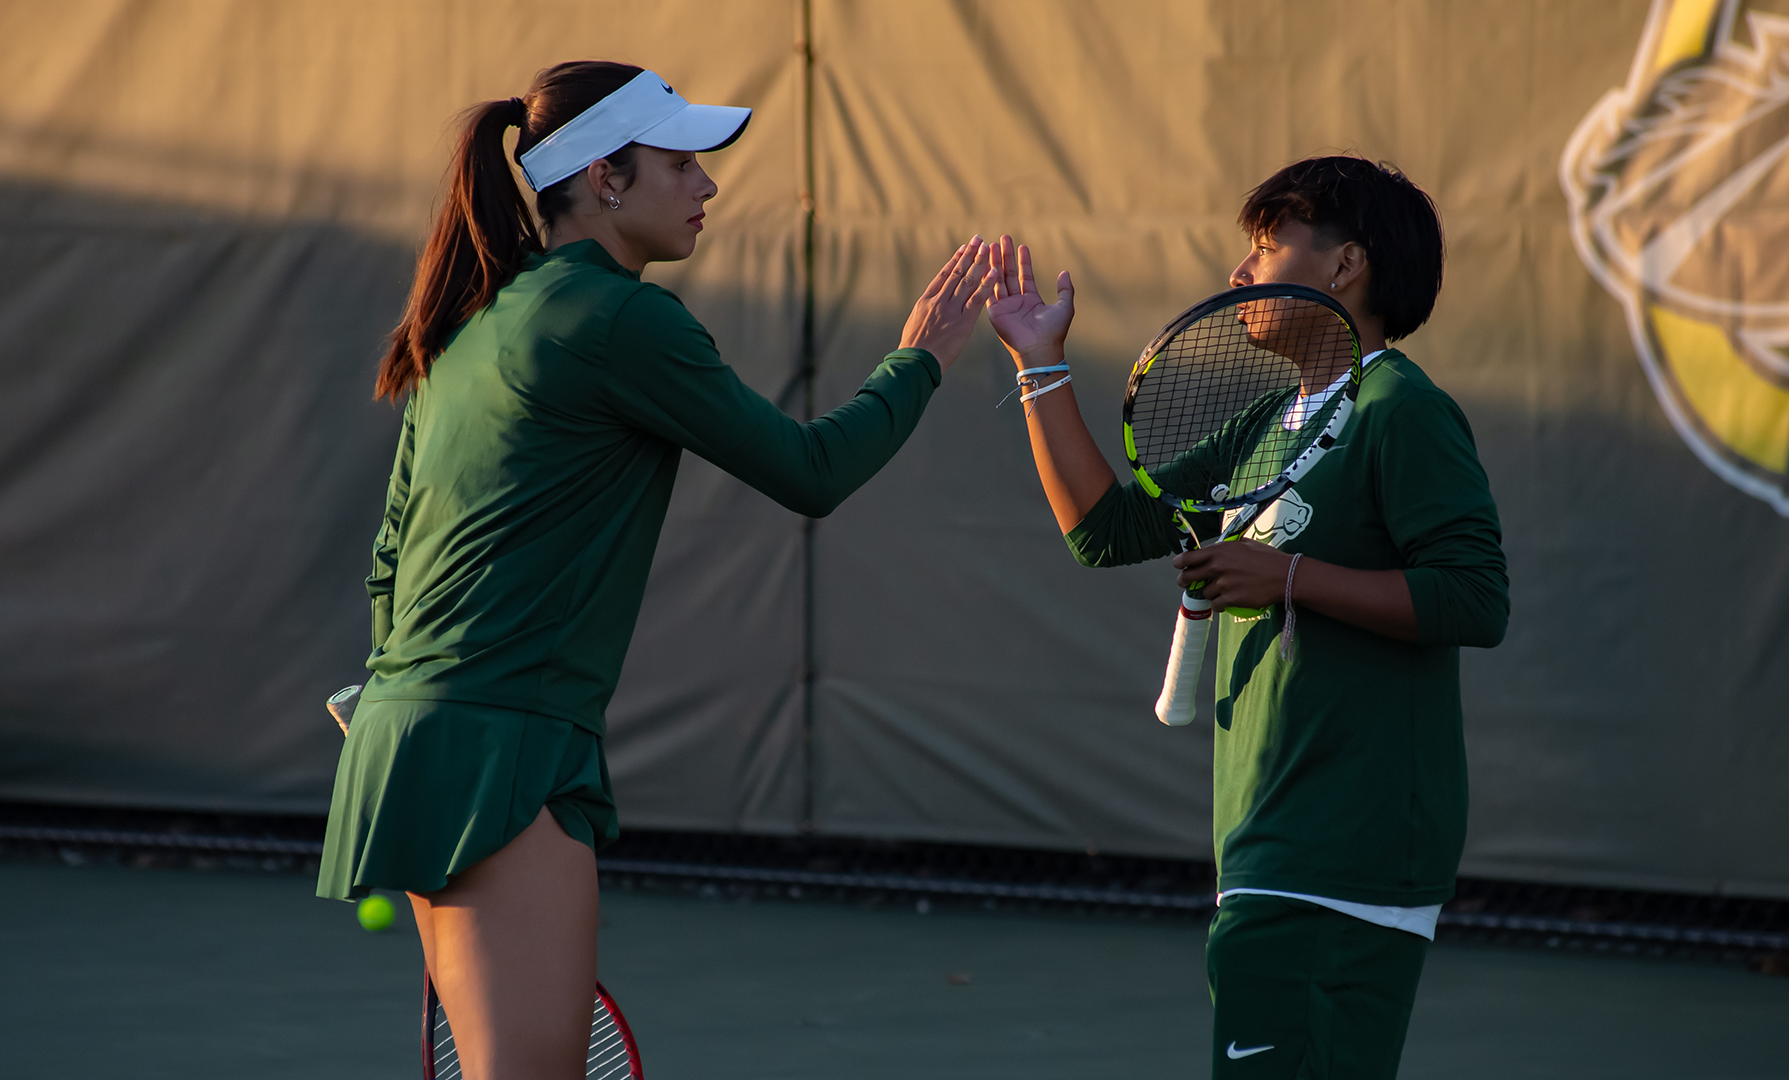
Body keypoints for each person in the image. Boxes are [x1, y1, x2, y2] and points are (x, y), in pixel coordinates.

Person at [317, 60, 997, 1079]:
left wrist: (414, 698)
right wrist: (922, 357)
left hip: (411, 736)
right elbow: (810, 472)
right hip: (504, 748)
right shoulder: (622, 320)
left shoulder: (464, 327)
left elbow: (388, 563)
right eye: (682, 164)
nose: (708, 187)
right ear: (606, 179)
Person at [984, 156, 1508, 1078]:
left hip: (1349, 850)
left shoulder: (1402, 409)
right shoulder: (1274, 420)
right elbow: (1105, 533)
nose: (1239, 274)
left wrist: (1290, 576)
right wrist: (1042, 361)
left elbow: (1474, 597)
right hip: (1265, 837)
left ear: (1345, 266)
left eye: (1265, 247)